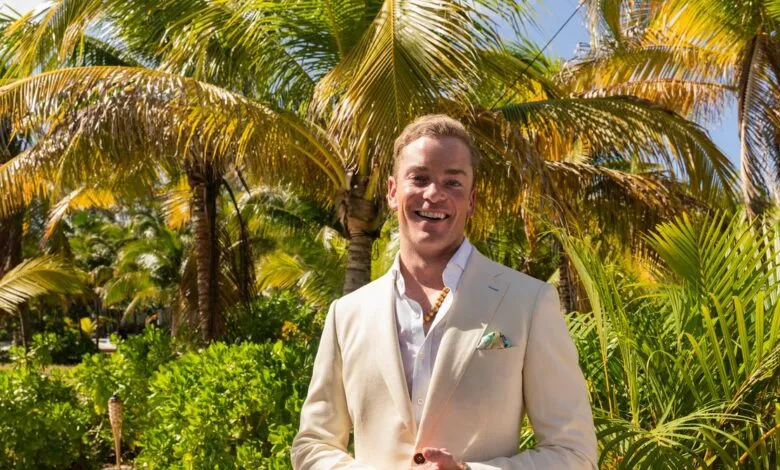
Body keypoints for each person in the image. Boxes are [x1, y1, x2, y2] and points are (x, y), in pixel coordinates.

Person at [291, 115, 597, 469]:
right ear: (393, 192)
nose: (433, 194)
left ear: (472, 200)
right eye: (419, 178)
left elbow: (574, 452)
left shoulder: (528, 302)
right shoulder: (347, 314)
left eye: (452, 182)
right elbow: (312, 445)